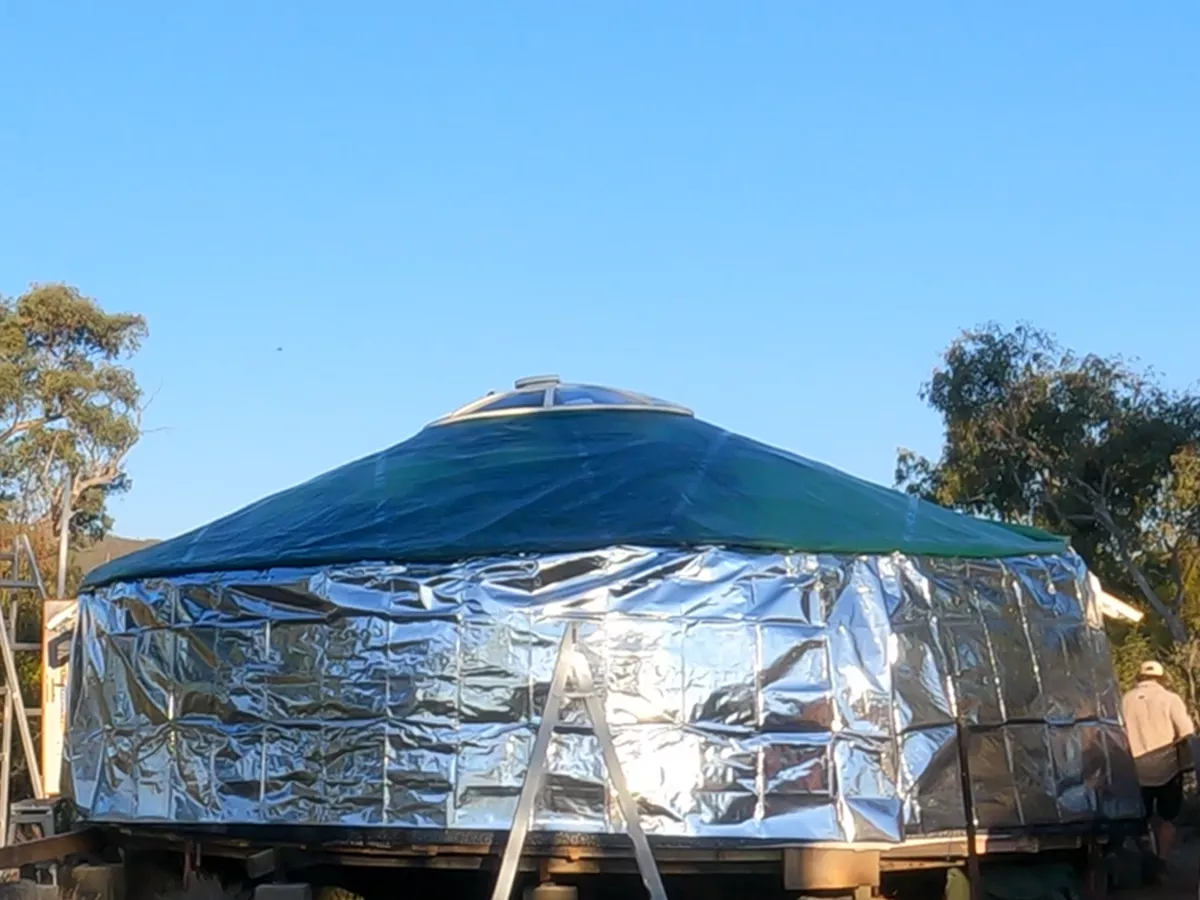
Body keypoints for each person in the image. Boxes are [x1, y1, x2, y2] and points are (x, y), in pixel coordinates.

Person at [1121, 660, 1195, 875]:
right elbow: (1186, 733)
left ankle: (1146, 854)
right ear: (1162, 678)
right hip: (1168, 770)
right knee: (1167, 819)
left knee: (1138, 820)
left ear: (1139, 677)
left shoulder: (1125, 700)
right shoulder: (1170, 699)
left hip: (1133, 771)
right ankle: (1161, 860)